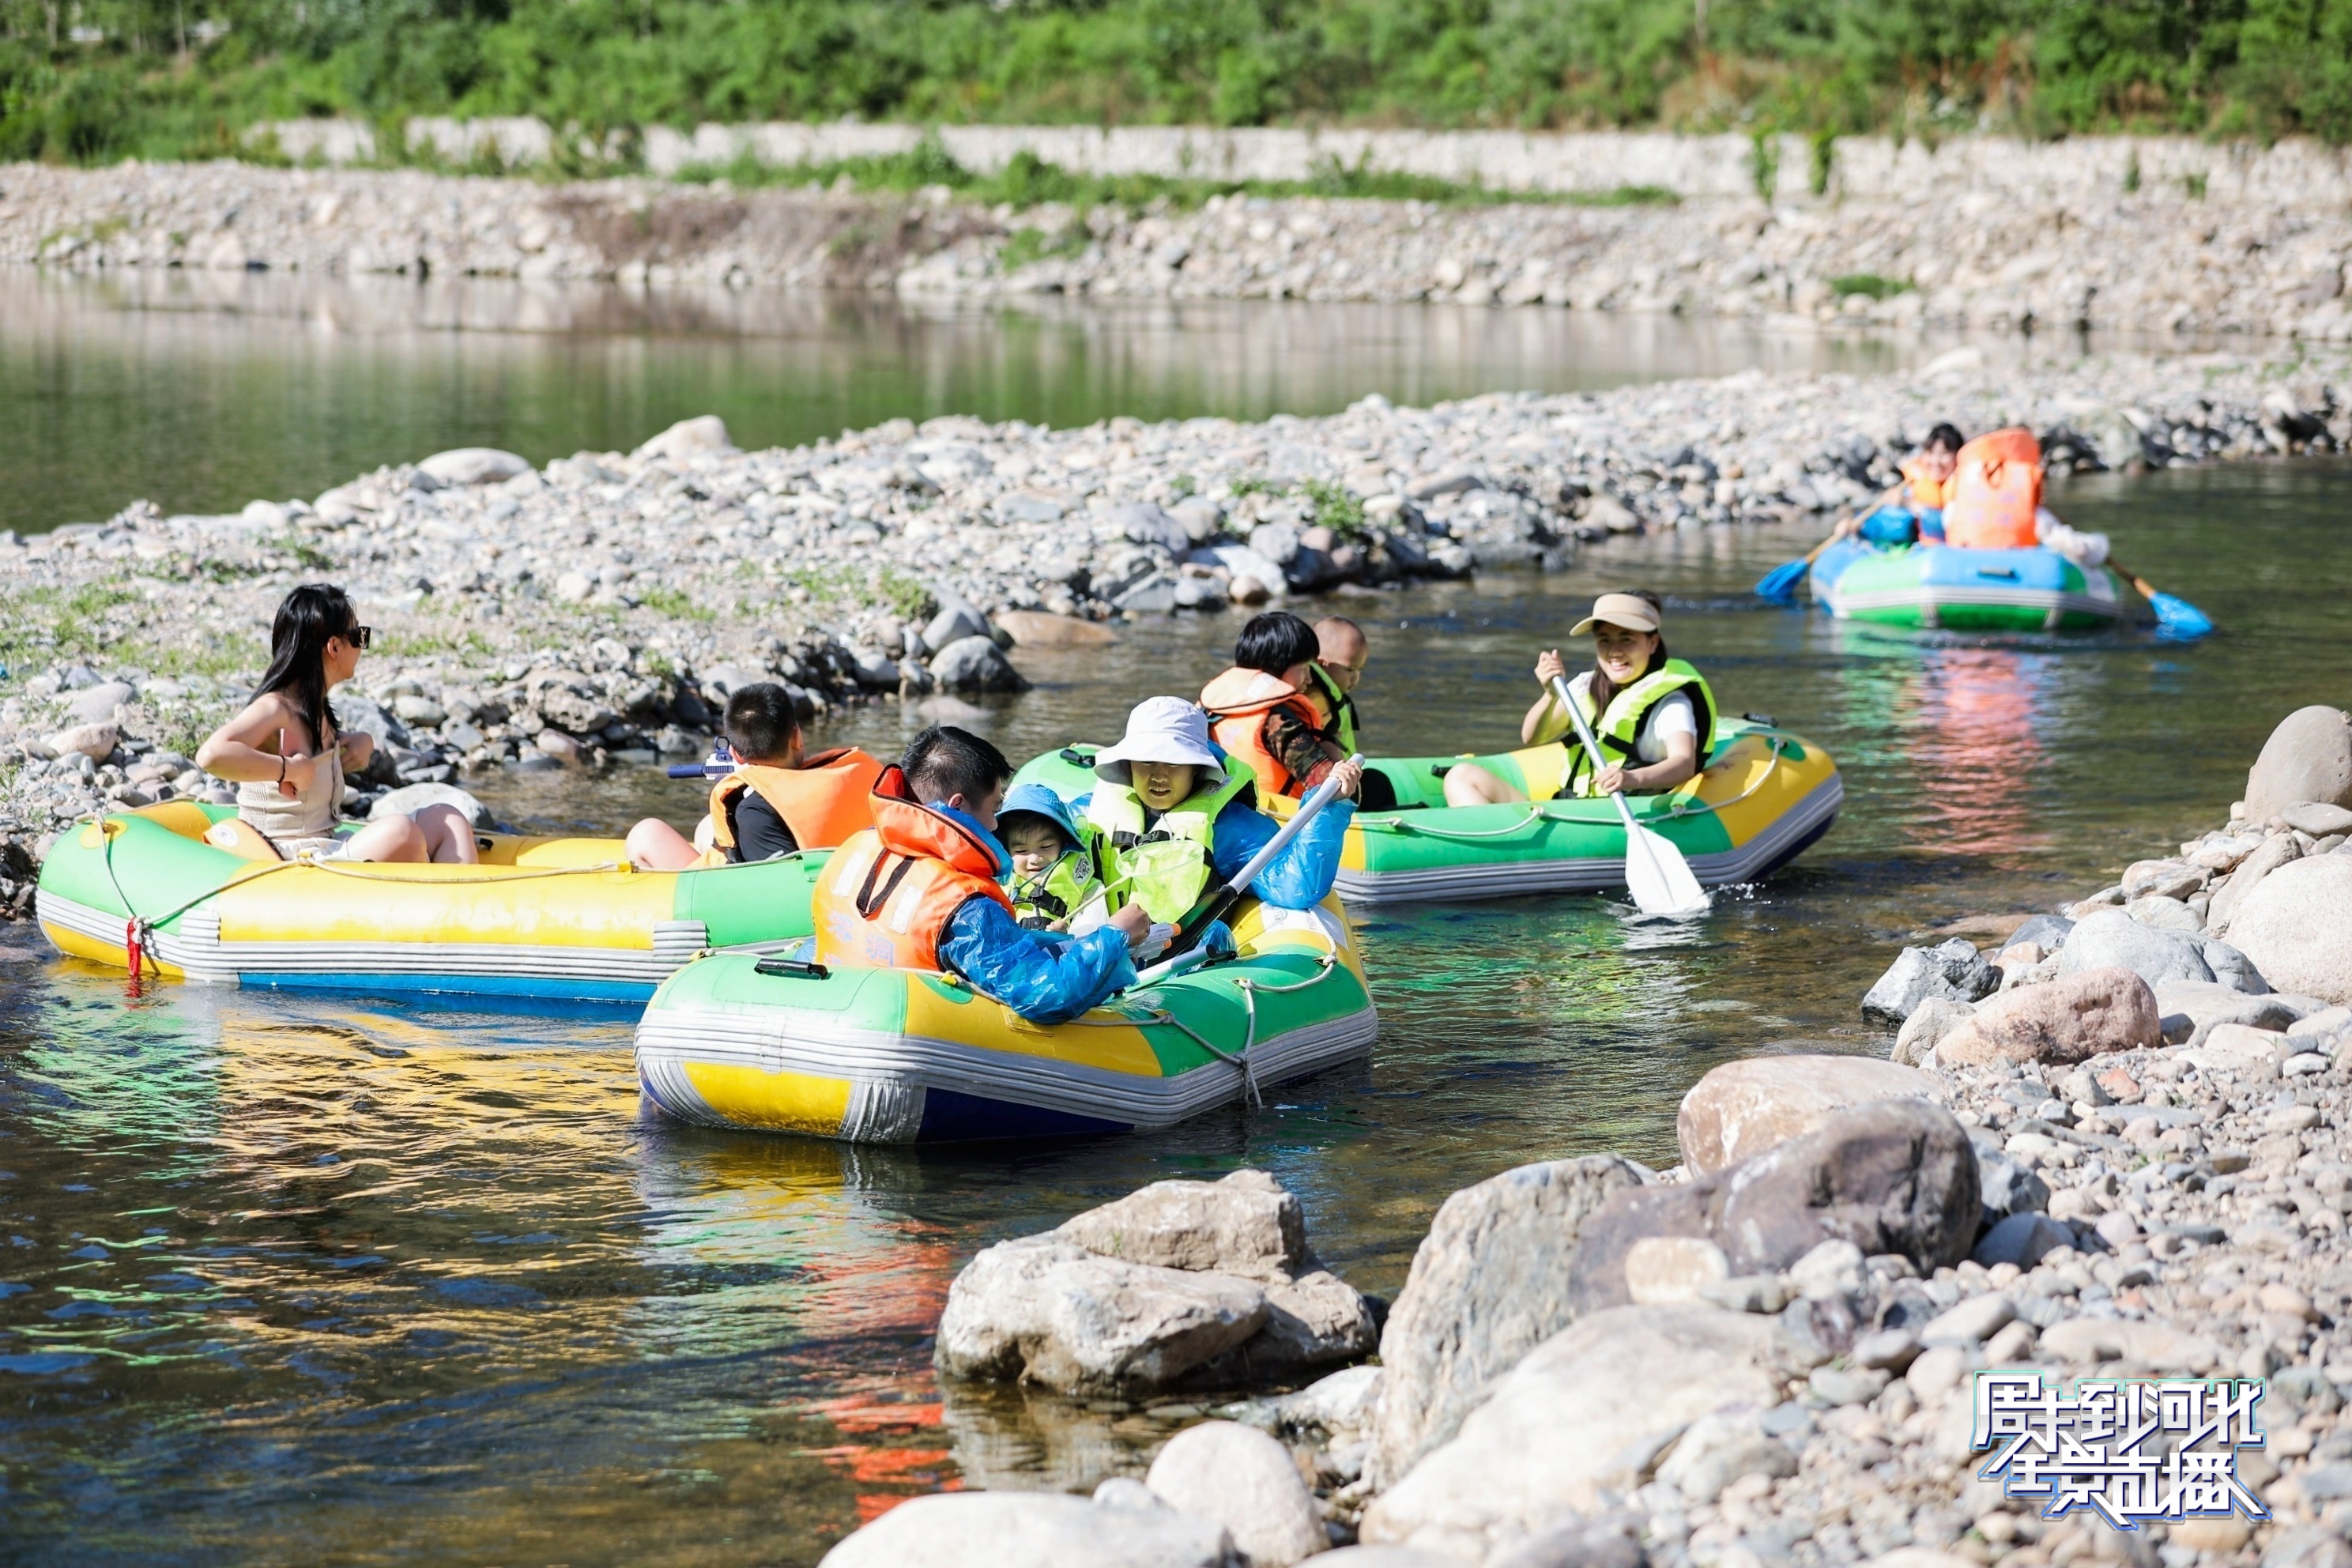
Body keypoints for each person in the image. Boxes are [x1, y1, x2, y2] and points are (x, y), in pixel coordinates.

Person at [813, 726, 1153, 1025]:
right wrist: (1115, 934)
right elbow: (1047, 997)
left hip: (832, 1011)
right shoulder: (964, 906)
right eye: (994, 809)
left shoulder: (856, 847)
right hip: (906, 1041)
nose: (994, 824)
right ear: (958, 806)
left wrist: (1068, 944)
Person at [196, 584, 479, 864]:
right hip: (288, 855)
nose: (362, 646)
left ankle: (463, 903)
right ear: (334, 646)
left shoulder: (313, 707)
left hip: (328, 843)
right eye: (358, 635)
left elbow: (311, 747)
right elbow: (211, 755)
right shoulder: (275, 708)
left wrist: (362, 740)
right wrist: (289, 770)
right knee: (400, 832)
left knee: (448, 818)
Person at [1081, 695, 1362, 926]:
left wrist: (1328, 807)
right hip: (1104, 948)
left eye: (1175, 762)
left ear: (1198, 768)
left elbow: (1296, 887)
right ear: (1127, 764)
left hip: (1178, 961)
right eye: (1146, 762)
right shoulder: (1095, 811)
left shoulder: (1231, 828)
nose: (1158, 776)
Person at [1441, 591, 1716, 808]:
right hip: (1567, 807)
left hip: (1622, 811)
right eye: (1604, 641)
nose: (1614, 652)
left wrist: (1630, 779)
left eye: (1626, 640)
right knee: (1462, 776)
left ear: (1652, 643)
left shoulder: (1671, 702)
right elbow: (1532, 737)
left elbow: (1683, 763)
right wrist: (1551, 693)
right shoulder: (1586, 684)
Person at [624, 683, 881, 871]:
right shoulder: (850, 770)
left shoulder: (754, 812)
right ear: (797, 738)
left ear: (735, 754)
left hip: (737, 894)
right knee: (706, 828)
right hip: (854, 868)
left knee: (645, 833)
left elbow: (772, 887)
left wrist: (744, 794)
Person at [1199, 612, 1360, 801]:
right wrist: (1330, 747)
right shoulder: (1279, 724)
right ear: (1276, 666)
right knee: (1379, 785)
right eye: (1304, 668)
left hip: (1224, 808)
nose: (1309, 678)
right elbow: (1332, 790)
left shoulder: (1209, 707)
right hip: (1278, 818)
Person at [1939, 426, 2110, 567]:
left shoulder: (1957, 503)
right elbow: (2073, 547)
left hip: (1961, 566)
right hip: (2018, 573)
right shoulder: (2031, 507)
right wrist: (2099, 548)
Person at [1310, 616, 1399, 811]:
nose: (1356, 678)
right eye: (1350, 669)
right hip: (1333, 789)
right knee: (1378, 782)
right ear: (1322, 663)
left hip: (1343, 781)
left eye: (1360, 669)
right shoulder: (1316, 700)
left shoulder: (1327, 693)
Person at [998, 782, 1109, 933]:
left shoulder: (1089, 887)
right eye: (1022, 850)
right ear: (1007, 851)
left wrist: (1064, 938)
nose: (1035, 859)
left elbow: (1092, 936)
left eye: (1046, 847)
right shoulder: (996, 886)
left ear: (1065, 844)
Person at [1836, 423, 1965, 548]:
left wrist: (1912, 505)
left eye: (1944, 454)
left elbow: (1949, 526)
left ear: (1958, 455)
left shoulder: (1966, 489)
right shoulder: (1913, 487)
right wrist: (1856, 525)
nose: (1935, 461)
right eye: (1930, 453)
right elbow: (1887, 521)